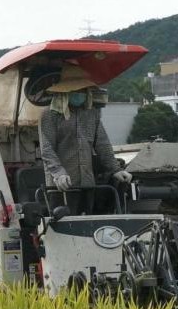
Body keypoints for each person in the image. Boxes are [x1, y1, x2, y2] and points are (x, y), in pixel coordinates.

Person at [38, 84, 132, 216]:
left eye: (83, 91)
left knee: (87, 224)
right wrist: (59, 173)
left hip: (87, 183)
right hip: (61, 186)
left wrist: (115, 169)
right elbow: (47, 149)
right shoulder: (50, 114)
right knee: (63, 225)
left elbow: (102, 144)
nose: (80, 94)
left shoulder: (92, 113)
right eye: (76, 90)